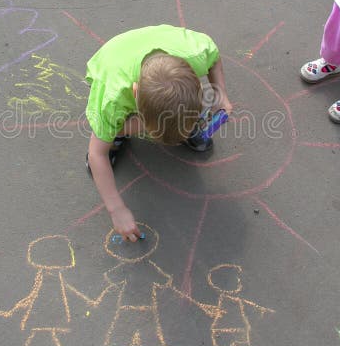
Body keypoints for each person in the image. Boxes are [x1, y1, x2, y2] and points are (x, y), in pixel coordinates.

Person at [85, 25, 232, 241]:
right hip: (113, 60)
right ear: (135, 93)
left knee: (170, 113)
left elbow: (215, 57)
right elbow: (96, 153)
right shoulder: (112, 97)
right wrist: (116, 209)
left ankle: (176, 123)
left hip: (160, 52)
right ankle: (119, 136)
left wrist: (220, 94)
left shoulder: (196, 54)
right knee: (109, 130)